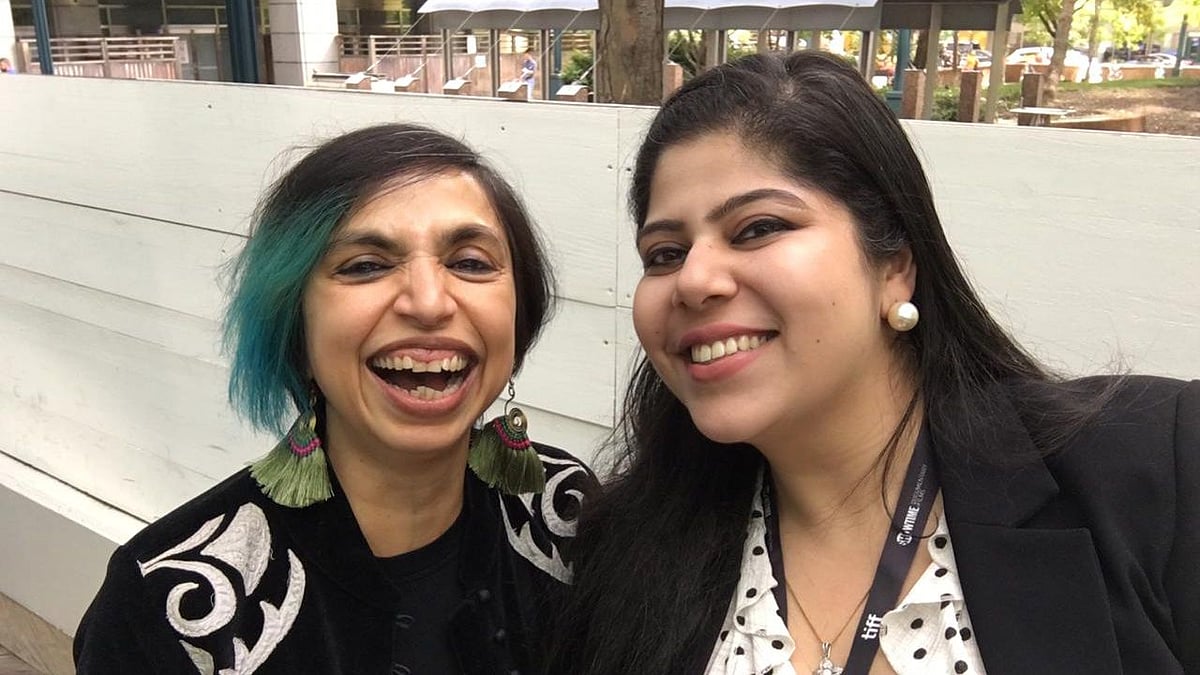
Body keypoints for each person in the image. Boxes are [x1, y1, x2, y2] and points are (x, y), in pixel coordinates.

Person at [548, 51, 1198, 675]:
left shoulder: (1155, 469)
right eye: (664, 253)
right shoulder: (621, 551)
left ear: (895, 267)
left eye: (758, 228)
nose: (694, 280)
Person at [73, 123, 595, 674]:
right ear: (294, 327)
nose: (429, 303)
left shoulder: (566, 513)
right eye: (365, 266)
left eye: (469, 262)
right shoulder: (165, 606)